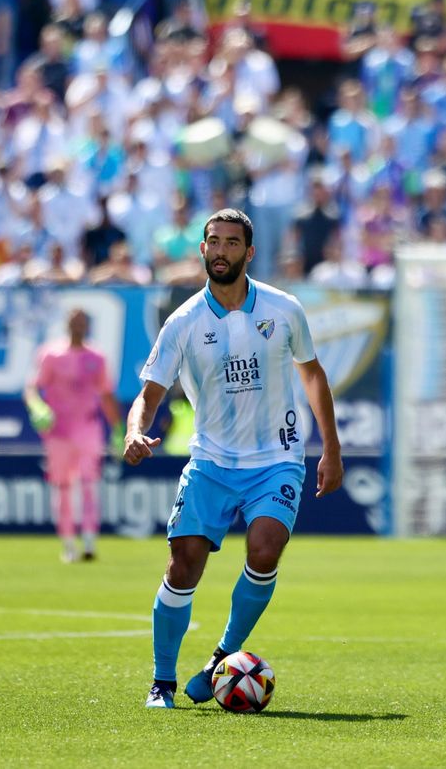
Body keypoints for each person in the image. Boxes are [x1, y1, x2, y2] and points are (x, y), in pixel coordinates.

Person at [124, 208, 342, 710]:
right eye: (212, 242)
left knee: (265, 551)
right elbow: (149, 394)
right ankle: (162, 682)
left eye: (230, 242)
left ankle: (221, 656)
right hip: (212, 462)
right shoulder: (182, 322)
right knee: (183, 566)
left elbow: (312, 376)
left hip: (277, 458)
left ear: (249, 252)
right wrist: (136, 430)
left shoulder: (284, 309)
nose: (220, 251)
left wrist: (331, 447)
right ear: (202, 250)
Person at [24, 308, 120, 564]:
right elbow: (32, 387)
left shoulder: (96, 357)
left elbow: (106, 394)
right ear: (67, 324)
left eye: (81, 322)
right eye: (73, 322)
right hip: (59, 431)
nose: (77, 326)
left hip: (88, 428)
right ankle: (68, 543)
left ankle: (89, 540)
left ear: (87, 326)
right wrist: (38, 407)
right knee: (63, 487)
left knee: (89, 483)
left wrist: (118, 429)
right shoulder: (51, 354)